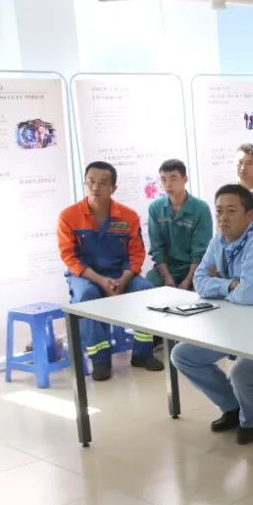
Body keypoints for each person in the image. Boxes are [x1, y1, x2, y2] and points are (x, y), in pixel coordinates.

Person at [170, 185, 253, 445]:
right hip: (236, 323)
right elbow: (200, 282)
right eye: (219, 211)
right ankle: (232, 405)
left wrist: (224, 285)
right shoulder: (219, 240)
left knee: (241, 373)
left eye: (231, 211)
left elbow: (249, 296)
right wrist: (230, 284)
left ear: (249, 216)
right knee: (182, 355)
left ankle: (252, 418)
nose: (223, 218)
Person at [57, 161, 164, 381]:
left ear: (113, 188)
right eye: (91, 181)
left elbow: (136, 254)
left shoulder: (128, 216)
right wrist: (100, 280)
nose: (96, 187)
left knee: (146, 291)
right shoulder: (68, 216)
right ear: (85, 182)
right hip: (85, 276)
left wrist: (123, 280)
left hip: (121, 274)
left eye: (103, 183)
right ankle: (100, 361)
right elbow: (70, 257)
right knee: (87, 296)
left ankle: (142, 354)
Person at [146, 159, 212, 290]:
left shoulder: (201, 208)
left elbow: (200, 251)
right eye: (163, 179)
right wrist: (166, 277)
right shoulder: (155, 208)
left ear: (185, 179)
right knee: (147, 286)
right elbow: (156, 248)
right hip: (166, 268)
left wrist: (188, 280)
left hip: (194, 268)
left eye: (173, 179)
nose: (168, 185)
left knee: (202, 290)